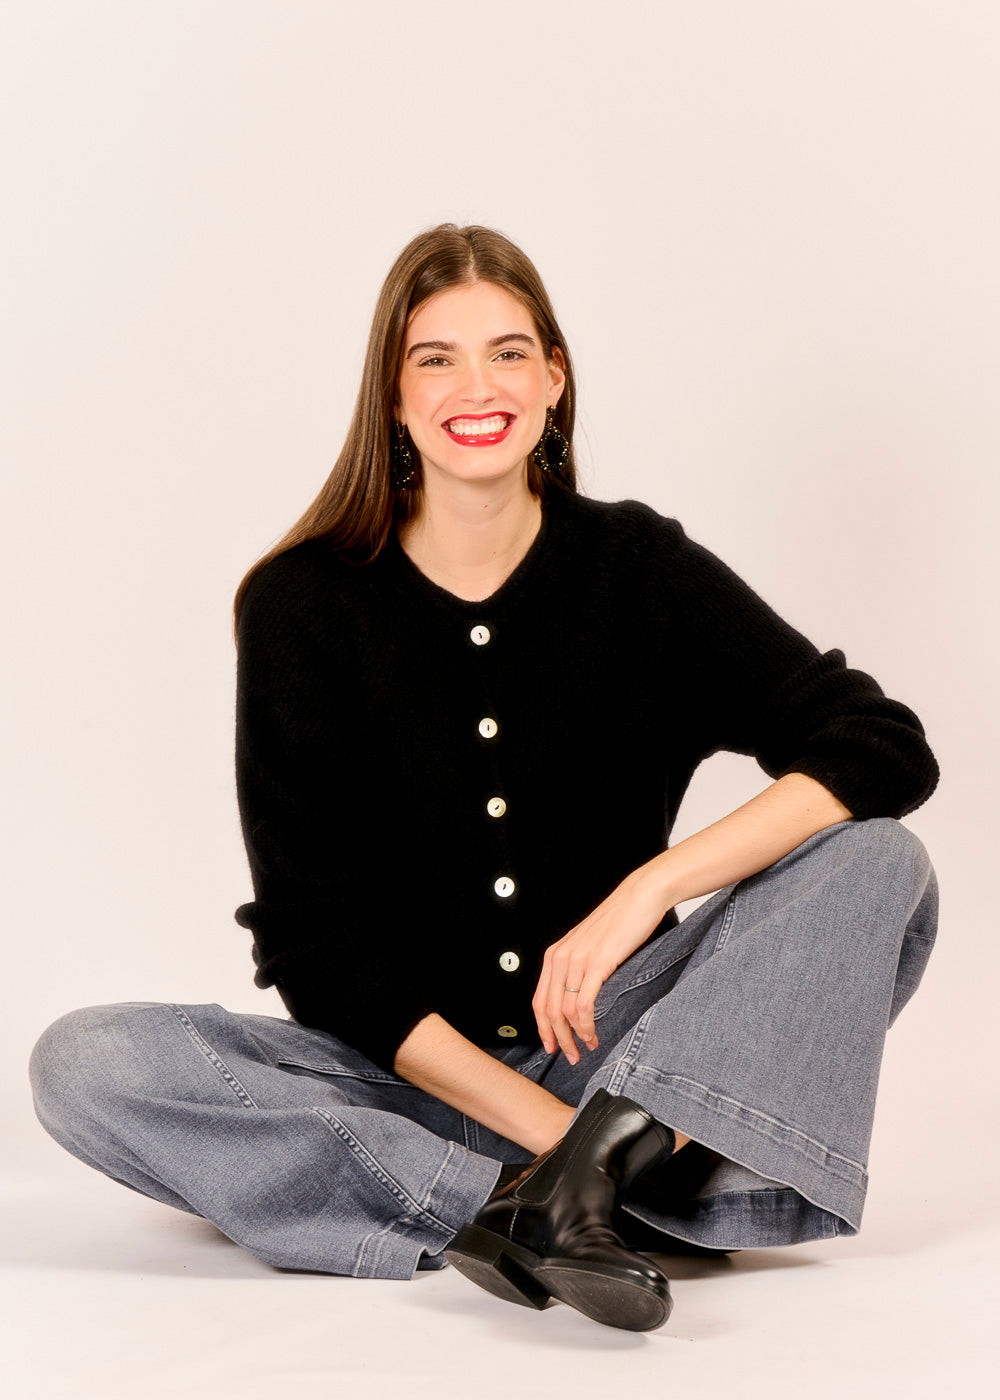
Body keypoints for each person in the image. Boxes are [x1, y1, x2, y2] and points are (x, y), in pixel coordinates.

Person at [29, 223, 940, 1333]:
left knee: (879, 860)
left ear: (553, 379)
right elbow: (317, 946)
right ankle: (564, 1195)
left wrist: (648, 890)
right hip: (404, 1083)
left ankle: (584, 1170)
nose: (478, 387)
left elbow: (878, 742)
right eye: (437, 358)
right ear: (394, 394)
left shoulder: (639, 572)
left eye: (508, 353)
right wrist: (559, 1137)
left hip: (625, 1063)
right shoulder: (303, 604)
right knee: (89, 1063)